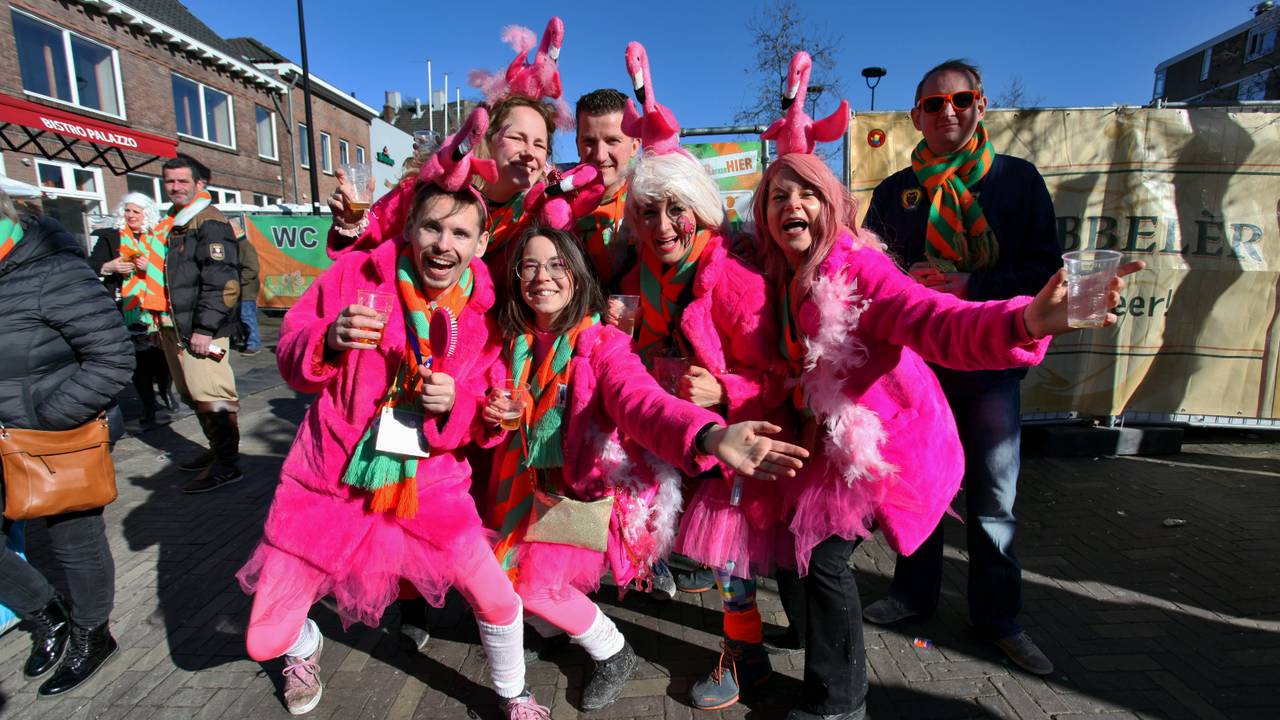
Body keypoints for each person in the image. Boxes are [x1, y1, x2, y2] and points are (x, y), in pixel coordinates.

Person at [752, 149, 1139, 719]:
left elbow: (936, 318)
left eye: (807, 192)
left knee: (827, 559)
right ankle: (816, 641)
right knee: (795, 544)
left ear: (834, 206)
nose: (793, 205)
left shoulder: (861, 272)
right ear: (763, 216)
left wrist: (1026, 320)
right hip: (825, 433)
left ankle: (840, 701)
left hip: (885, 442)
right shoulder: (781, 274)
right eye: (778, 197)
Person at [236, 180, 552, 718]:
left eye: (460, 232)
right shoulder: (356, 276)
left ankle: (513, 694)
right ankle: (303, 644)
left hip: (429, 480)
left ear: (480, 244)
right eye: (432, 227)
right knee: (264, 639)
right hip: (330, 474)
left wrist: (461, 403)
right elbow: (291, 349)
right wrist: (328, 339)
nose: (443, 244)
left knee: (497, 598)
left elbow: (489, 412)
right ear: (410, 229)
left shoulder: (483, 317)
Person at [482, 226, 806, 711]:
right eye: (528, 266)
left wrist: (708, 435)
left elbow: (641, 401)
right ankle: (552, 627)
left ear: (576, 274)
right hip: (518, 489)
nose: (541, 276)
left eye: (555, 265)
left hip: (572, 498)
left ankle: (612, 651)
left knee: (531, 585)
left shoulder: (600, 343)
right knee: (510, 578)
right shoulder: (513, 343)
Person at [860, 59, 1066, 676]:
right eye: (933, 103)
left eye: (962, 99)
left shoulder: (1015, 181)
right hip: (920, 368)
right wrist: (908, 284)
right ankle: (911, 595)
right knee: (919, 485)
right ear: (914, 116)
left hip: (991, 362)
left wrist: (969, 283)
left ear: (981, 106)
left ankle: (999, 618)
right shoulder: (895, 192)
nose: (948, 111)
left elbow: (1043, 271)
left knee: (993, 496)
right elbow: (871, 275)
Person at [609, 150, 793, 709]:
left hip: (731, 443)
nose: (662, 226)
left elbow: (784, 377)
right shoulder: (635, 278)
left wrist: (726, 390)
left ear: (701, 210)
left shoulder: (734, 283)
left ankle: (746, 659)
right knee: (697, 549)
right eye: (647, 212)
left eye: (675, 210)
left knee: (729, 558)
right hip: (667, 437)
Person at [0, 190, 133, 695]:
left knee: (74, 540)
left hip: (58, 432)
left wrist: (48, 420)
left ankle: (92, 634)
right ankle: (46, 614)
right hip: (6, 431)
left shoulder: (54, 271)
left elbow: (114, 359)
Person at [150, 154, 243, 494]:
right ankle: (217, 452)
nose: (174, 187)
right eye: (169, 181)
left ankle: (228, 465)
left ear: (199, 184)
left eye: (182, 181)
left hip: (202, 328)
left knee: (213, 395)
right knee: (193, 394)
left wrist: (206, 328)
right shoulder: (174, 222)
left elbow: (223, 282)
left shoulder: (208, 222)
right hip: (175, 325)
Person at [88, 193, 176, 425]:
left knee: (161, 355)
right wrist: (110, 266)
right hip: (124, 306)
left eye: (136, 211)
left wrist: (152, 266)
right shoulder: (110, 237)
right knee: (137, 360)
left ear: (146, 213)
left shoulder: (160, 237)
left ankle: (166, 392)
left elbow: (173, 268)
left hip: (155, 305)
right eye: (127, 211)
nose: (130, 216)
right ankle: (148, 404)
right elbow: (91, 265)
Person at [573, 88, 639, 293]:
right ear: (577, 145)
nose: (600, 155)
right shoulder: (558, 204)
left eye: (612, 141)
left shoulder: (653, 202)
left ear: (635, 145)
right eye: (589, 142)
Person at [239, 235, 262, 356]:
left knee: (247, 317)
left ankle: (254, 345)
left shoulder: (245, 246)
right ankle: (248, 341)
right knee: (243, 317)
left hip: (246, 290)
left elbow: (252, 268)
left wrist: (237, 281)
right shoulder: (239, 245)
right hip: (241, 288)